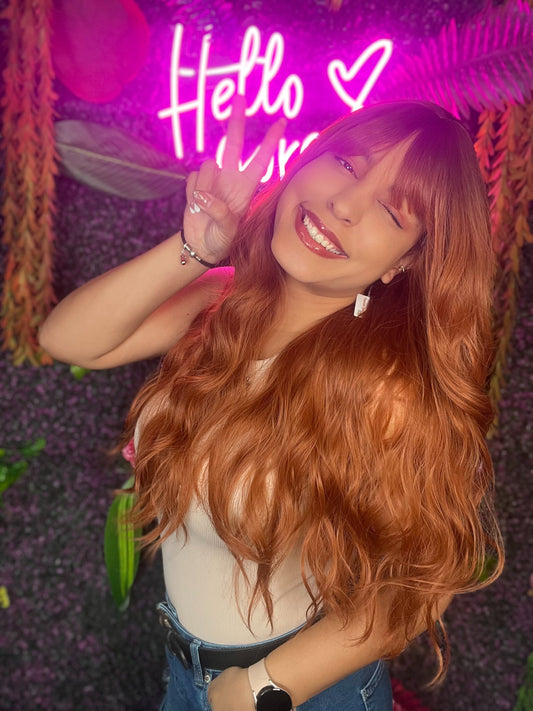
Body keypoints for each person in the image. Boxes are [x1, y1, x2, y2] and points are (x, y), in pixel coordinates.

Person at [39, 96, 504, 711]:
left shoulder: (383, 394)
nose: (345, 204)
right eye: (347, 163)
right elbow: (68, 339)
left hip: (288, 690)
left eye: (392, 211)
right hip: (185, 667)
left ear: (405, 261)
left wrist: (262, 687)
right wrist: (196, 247)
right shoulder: (223, 303)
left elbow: (419, 587)